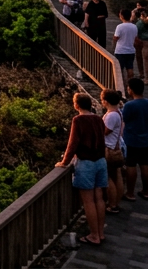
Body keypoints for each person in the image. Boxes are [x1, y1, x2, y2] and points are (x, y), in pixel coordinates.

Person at [58, 92, 108, 246]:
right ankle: (100, 232)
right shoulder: (98, 119)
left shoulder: (78, 120)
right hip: (101, 161)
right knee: (99, 198)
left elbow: (73, 143)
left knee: (88, 201)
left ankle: (94, 235)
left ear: (77, 105)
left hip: (86, 163)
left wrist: (64, 162)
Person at [122, 77, 148, 202]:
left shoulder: (130, 105)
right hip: (145, 138)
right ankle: (145, 191)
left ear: (131, 90)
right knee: (144, 164)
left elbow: (124, 119)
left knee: (131, 165)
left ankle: (130, 193)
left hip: (131, 138)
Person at [102, 89, 125, 214]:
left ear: (106, 101)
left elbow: (105, 131)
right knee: (117, 175)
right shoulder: (118, 112)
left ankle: (112, 204)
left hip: (109, 149)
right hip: (115, 148)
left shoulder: (111, 115)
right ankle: (116, 202)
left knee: (109, 178)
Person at [113, 8, 138, 82]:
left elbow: (116, 37)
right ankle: (130, 83)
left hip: (120, 51)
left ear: (122, 16)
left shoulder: (120, 27)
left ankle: (120, 83)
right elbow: (136, 38)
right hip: (131, 50)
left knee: (119, 69)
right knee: (130, 68)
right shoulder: (134, 26)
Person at [133, 1, 148, 84]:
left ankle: (147, 78)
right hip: (138, 39)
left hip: (146, 40)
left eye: (139, 5)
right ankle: (141, 73)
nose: (137, 7)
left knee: (146, 58)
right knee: (138, 56)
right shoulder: (138, 17)